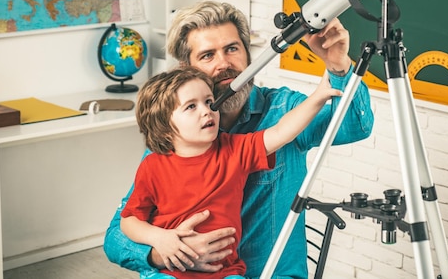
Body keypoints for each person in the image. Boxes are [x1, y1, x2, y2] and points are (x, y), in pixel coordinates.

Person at [104, 0, 374, 278]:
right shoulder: (175, 137)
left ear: (248, 55)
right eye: (208, 55)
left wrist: (338, 66)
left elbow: (356, 126)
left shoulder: (284, 109)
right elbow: (116, 236)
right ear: (187, 69)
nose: (224, 64)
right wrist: (167, 252)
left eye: (232, 49)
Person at [120, 66, 342, 278]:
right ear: (163, 124)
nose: (207, 111)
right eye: (191, 106)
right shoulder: (152, 166)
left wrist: (319, 96)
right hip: (170, 272)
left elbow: (281, 131)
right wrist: (160, 239)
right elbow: (129, 220)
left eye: (209, 102)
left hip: (225, 273)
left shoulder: (234, 150)